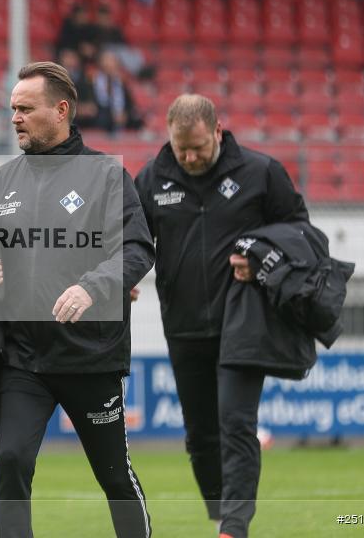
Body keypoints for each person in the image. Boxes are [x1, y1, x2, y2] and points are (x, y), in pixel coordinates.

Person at [0, 61, 155, 538]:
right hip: (22, 359)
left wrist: (94, 285)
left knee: (114, 476)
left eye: (25, 109)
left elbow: (137, 248)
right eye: (12, 109)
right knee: (10, 462)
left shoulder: (106, 177)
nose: (15, 117)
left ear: (60, 111)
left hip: (90, 356)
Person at [133, 94, 310, 538]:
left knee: (235, 423)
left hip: (244, 322)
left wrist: (261, 257)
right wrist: (125, 274)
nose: (190, 157)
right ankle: (220, 516)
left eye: (198, 147)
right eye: (181, 149)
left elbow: (301, 232)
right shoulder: (151, 179)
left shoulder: (260, 173)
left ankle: (233, 527)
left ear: (217, 131)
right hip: (183, 323)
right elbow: (133, 240)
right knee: (200, 435)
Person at [90, 51, 143, 133]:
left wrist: (125, 114)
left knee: (137, 119)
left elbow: (129, 104)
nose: (110, 64)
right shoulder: (93, 81)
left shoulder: (121, 82)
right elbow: (97, 103)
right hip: (102, 115)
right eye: (107, 61)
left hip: (121, 115)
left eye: (113, 61)